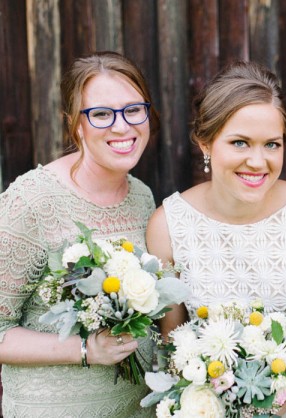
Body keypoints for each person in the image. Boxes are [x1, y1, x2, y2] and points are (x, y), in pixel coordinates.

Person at [146, 61, 286, 417]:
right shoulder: (168, 226)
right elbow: (171, 341)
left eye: (271, 144)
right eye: (240, 142)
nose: (258, 161)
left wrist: (274, 402)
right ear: (205, 142)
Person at [0, 51, 157, 417]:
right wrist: (85, 349)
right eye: (101, 114)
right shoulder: (32, 201)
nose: (122, 127)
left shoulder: (142, 196)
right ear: (75, 124)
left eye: (134, 109)